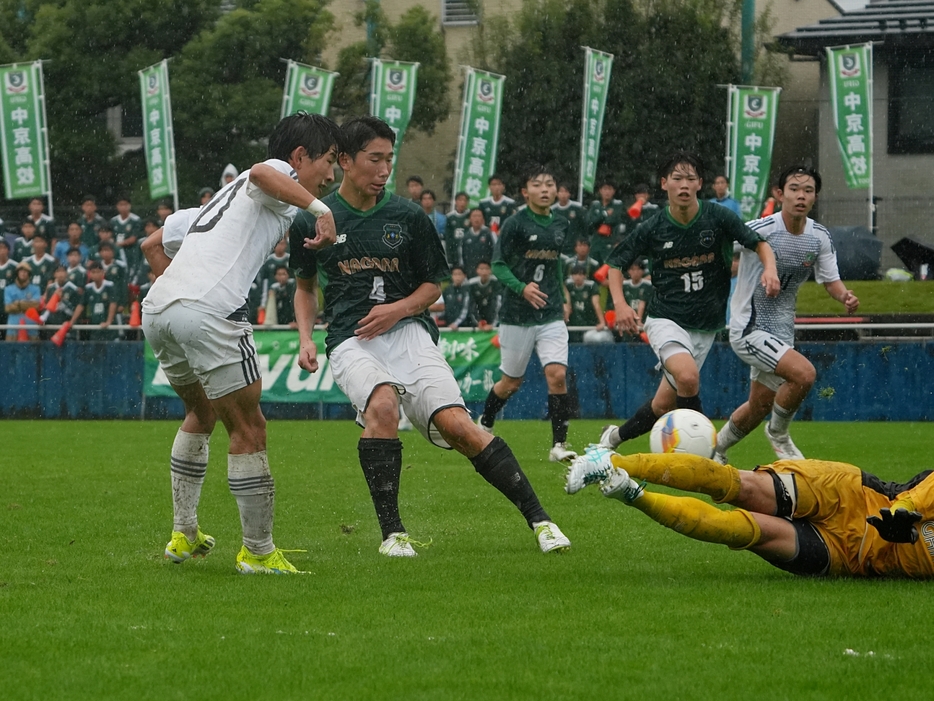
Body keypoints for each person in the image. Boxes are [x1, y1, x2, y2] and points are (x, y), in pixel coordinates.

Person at [289, 116, 570, 557]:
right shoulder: (313, 219)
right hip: (350, 338)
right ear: (344, 160)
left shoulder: (409, 217)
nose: (384, 170)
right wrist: (306, 338)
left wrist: (397, 310)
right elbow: (304, 288)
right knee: (382, 404)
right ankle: (393, 534)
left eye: (389, 159)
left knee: (460, 428)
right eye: (373, 159)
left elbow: (434, 286)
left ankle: (542, 521)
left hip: (411, 334)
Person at [141, 111, 341, 574]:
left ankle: (184, 535)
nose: (332, 174)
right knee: (249, 431)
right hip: (210, 311)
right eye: (329, 160)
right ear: (299, 156)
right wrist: (322, 210)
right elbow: (262, 172)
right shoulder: (276, 175)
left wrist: (180, 299)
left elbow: (152, 244)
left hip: (159, 310)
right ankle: (258, 551)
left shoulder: (220, 202)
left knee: (201, 413)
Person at [598, 152, 779, 451]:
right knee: (687, 375)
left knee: (661, 405)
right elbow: (615, 263)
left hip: (705, 326)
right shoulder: (653, 227)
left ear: (700, 184)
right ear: (664, 183)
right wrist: (620, 304)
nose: (684, 185)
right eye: (677, 178)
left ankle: (612, 438)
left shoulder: (717, 217)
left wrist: (769, 269)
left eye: (690, 179)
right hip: (665, 318)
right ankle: (702, 454)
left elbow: (758, 242)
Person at [565, 447, 934, 578]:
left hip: (851, 558)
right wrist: (902, 514)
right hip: (852, 495)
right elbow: (918, 495)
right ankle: (609, 459)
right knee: (742, 487)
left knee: (741, 530)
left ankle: (631, 493)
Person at [715, 165, 859, 463]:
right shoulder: (760, 229)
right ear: (779, 194)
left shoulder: (819, 237)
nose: (801, 196)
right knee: (804, 374)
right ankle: (778, 434)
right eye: (794, 189)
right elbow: (718, 247)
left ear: (815, 197)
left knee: (758, 406)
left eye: (808, 190)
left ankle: (714, 450)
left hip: (781, 333)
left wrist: (844, 295)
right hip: (749, 327)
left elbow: (830, 280)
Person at [477, 163, 576, 463]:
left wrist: (565, 295)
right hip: (517, 314)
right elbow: (498, 265)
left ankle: (559, 446)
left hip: (551, 313)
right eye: (537, 184)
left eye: (549, 184)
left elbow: (556, 263)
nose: (545, 189)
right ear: (524, 191)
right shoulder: (515, 224)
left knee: (557, 375)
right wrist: (522, 288)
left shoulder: (561, 224)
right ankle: (486, 421)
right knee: (511, 383)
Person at [586, 178, 625, 264]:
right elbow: (590, 223)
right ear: (600, 191)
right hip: (596, 242)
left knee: (608, 268)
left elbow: (613, 220)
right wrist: (604, 214)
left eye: (609, 189)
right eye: (605, 189)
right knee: (593, 268)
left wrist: (598, 221)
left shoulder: (617, 204)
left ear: (614, 191)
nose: (607, 192)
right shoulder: (595, 205)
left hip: (610, 242)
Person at [566, 263, 607, 344]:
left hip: (589, 324)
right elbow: (566, 304)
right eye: (575, 274)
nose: (577, 277)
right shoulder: (568, 285)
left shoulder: (591, 286)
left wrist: (602, 322)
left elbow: (596, 304)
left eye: (580, 274)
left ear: (585, 276)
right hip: (573, 324)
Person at [4, 261, 41, 341]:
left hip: (31, 329)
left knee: (33, 351)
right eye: (21, 271)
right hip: (13, 328)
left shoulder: (35, 289)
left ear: (29, 274)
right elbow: (8, 308)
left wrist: (18, 304)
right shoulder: (8, 289)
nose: (23, 273)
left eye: (25, 271)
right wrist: (27, 305)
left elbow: (36, 305)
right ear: (17, 273)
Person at [82, 261, 118, 340]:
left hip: (109, 329)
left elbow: (113, 303)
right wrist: (72, 321)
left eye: (98, 272)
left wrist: (108, 322)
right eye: (93, 272)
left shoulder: (109, 286)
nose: (96, 274)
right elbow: (81, 305)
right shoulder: (88, 288)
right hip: (95, 327)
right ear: (90, 274)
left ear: (103, 273)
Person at [111, 196, 143, 283]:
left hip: (130, 251)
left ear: (129, 206)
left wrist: (119, 244)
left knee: (131, 272)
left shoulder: (135, 220)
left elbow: (133, 238)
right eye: (121, 205)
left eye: (125, 204)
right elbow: (110, 236)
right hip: (116, 252)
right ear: (117, 206)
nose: (123, 207)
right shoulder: (113, 221)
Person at [552, 183, 586, 256]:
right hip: (559, 246)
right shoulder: (553, 210)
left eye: (566, 191)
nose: (563, 194)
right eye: (561, 191)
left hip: (575, 247)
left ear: (569, 194)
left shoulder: (577, 208)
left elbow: (584, 226)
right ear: (556, 194)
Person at [460, 208, 495, 278]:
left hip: (486, 271)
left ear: (483, 219)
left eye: (479, 216)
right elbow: (462, 255)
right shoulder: (465, 236)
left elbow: (495, 252)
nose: (476, 218)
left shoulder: (489, 233)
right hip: (470, 271)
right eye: (474, 216)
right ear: (469, 219)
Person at [468, 260, 502, 328]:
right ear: (477, 270)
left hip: (493, 322)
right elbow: (471, 305)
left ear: (491, 270)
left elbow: (498, 304)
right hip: (478, 323)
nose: (484, 271)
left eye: (486, 268)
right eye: (481, 269)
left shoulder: (496, 282)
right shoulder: (471, 283)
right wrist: (478, 322)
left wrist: (492, 324)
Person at [439, 266, 473, 330]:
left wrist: (456, 323)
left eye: (459, 274)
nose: (457, 277)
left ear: (464, 276)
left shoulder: (468, 289)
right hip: (448, 325)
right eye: (455, 274)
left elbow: (465, 309)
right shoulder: (447, 290)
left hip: (464, 327)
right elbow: (445, 307)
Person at [444, 191, 470, 268]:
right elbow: (448, 238)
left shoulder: (470, 215)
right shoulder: (450, 217)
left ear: (467, 202)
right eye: (460, 200)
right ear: (455, 202)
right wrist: (449, 257)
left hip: (467, 249)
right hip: (455, 249)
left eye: (464, 200)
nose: (462, 203)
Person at [0, 240, 16, 339]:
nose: (1, 251)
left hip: (9, 308)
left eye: (3, 248)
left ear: (8, 250)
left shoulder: (15, 266)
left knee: (8, 337)